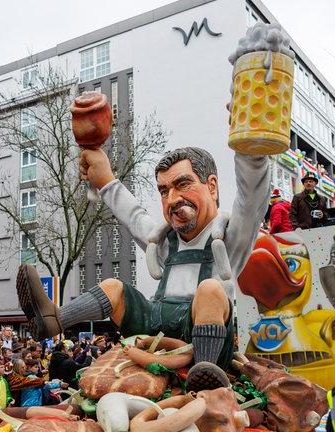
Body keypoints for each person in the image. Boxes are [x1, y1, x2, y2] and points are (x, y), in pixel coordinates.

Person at [19, 145, 270, 387]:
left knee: (210, 290)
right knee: (113, 286)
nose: (172, 199)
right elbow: (133, 215)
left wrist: (251, 146)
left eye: (183, 185)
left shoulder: (231, 237)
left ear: (211, 186)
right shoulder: (163, 241)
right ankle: (53, 319)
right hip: (156, 329)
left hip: (205, 343)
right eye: (164, 191)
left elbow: (252, 197)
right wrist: (105, 179)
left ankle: (204, 372)